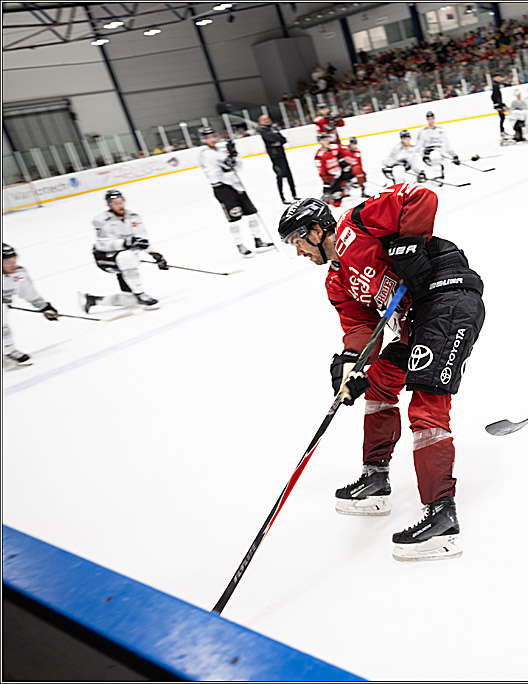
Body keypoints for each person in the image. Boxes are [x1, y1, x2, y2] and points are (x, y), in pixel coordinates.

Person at [276, 188, 485, 562]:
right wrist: (351, 361)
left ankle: (442, 515)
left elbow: (420, 197)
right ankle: (375, 479)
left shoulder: (358, 223)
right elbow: (359, 326)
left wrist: (410, 243)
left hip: (448, 296)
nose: (298, 251)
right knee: (379, 383)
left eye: (298, 241)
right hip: (413, 320)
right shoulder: (337, 281)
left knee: (425, 404)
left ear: (316, 230)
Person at [80, 189, 167, 313]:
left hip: (126, 259)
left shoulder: (134, 217)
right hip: (105, 258)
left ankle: (93, 300)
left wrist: (155, 255)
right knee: (127, 256)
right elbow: (103, 244)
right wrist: (124, 243)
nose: (119, 205)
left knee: (131, 300)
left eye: (121, 202)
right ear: (109, 205)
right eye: (115, 203)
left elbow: (141, 240)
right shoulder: (101, 220)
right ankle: (141, 294)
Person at [197, 127, 273, 258]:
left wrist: (234, 154)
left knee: (252, 213)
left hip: (237, 186)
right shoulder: (205, 154)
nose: (212, 139)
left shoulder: (221, 150)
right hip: (223, 189)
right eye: (208, 137)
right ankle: (240, 244)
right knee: (234, 219)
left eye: (213, 136)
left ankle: (258, 240)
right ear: (203, 140)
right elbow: (215, 173)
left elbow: (238, 166)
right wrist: (228, 163)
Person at [3, 242, 59, 366]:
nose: (13, 265)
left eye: (14, 260)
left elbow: (29, 292)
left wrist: (44, 307)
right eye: (7, 262)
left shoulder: (19, 274)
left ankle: (9, 350)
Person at [258, 115, 297, 205]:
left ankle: (294, 194)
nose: (267, 120)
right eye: (264, 120)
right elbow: (271, 138)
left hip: (282, 155)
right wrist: (277, 139)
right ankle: (282, 197)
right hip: (275, 157)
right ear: (260, 122)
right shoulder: (263, 130)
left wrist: (277, 140)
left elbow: (282, 139)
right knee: (280, 176)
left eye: (268, 119)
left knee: (289, 175)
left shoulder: (273, 128)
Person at [416, 111, 460, 181]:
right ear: (427, 120)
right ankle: (438, 175)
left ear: (434, 119)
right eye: (429, 119)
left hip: (439, 152)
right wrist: (423, 152)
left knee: (436, 155)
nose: (431, 120)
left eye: (432, 118)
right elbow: (418, 145)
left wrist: (454, 155)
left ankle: (438, 175)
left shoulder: (440, 130)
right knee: (434, 156)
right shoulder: (423, 132)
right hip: (428, 154)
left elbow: (446, 143)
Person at [314, 132, 352, 207]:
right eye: (324, 140)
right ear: (320, 142)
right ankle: (328, 196)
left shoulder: (334, 147)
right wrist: (327, 183)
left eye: (327, 139)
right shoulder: (319, 156)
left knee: (353, 172)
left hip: (340, 173)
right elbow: (322, 172)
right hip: (332, 178)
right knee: (337, 203)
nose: (327, 141)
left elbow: (343, 150)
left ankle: (344, 187)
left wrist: (342, 161)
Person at [491, 74, 509, 140]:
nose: (499, 78)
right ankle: (502, 131)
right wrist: (497, 104)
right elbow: (494, 96)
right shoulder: (495, 86)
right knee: (502, 117)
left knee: (502, 118)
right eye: (498, 77)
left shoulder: (496, 85)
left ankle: (502, 131)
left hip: (499, 104)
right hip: (498, 105)